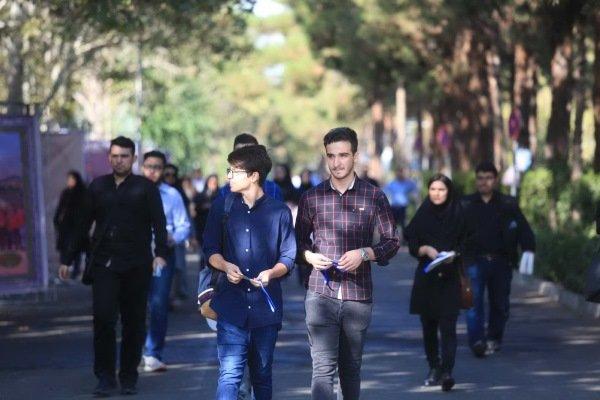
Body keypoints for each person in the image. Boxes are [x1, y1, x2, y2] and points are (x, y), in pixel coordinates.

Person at [296, 127, 400, 400]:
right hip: (320, 292)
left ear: (355, 155)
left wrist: (365, 253)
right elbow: (296, 244)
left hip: (358, 295)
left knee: (351, 369)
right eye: (331, 156)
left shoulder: (374, 196)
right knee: (322, 369)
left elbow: (392, 242)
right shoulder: (311, 197)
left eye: (343, 155)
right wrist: (309, 256)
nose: (337, 162)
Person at [58, 136, 168, 396]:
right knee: (104, 320)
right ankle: (105, 377)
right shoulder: (98, 187)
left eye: (124, 156)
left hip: (137, 265)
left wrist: (160, 254)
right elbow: (82, 225)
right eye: (115, 156)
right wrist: (67, 258)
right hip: (104, 265)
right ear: (109, 157)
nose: (119, 161)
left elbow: (159, 223)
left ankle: (128, 377)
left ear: (134, 158)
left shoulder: (145, 188)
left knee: (134, 322)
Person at [203, 144, 296, 400]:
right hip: (230, 305)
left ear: (254, 175)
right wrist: (225, 265)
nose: (229, 177)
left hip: (265, 310)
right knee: (229, 374)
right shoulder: (222, 207)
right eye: (229, 171)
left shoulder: (279, 212)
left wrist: (271, 273)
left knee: (262, 376)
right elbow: (209, 249)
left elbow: (288, 257)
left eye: (234, 171)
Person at [461, 161, 535, 357]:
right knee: (471, 303)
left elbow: (523, 228)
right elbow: (453, 230)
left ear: (495, 180)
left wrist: (528, 248)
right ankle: (477, 340)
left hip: (501, 262)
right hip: (472, 262)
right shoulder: (465, 204)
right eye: (480, 178)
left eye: (488, 178)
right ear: (476, 180)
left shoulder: (508, 204)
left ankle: (494, 338)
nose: (484, 182)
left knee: (500, 304)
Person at [404, 173, 469, 391]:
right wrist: (424, 249)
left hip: (450, 277)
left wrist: (455, 254)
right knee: (429, 326)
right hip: (427, 278)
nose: (437, 194)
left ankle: (447, 371)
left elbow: (468, 241)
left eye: (441, 190)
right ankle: (434, 366)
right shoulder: (423, 213)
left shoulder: (458, 213)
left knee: (448, 326)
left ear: (449, 191)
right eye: (433, 189)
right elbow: (412, 240)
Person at [140, 150, 191, 372]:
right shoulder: (133, 191)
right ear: (142, 167)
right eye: (149, 166)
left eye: (157, 167)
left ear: (163, 170)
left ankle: (153, 352)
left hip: (162, 253)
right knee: (135, 304)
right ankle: (136, 350)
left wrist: (173, 237)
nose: (152, 171)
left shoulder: (172, 195)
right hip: (136, 254)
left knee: (158, 303)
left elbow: (184, 225)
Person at [218, 133, 283, 202]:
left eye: (250, 153)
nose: (244, 157)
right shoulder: (224, 192)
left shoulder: (273, 189)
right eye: (239, 153)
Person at [164, 163, 192, 304]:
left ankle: (174, 295)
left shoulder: (177, 193)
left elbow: (186, 218)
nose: (170, 177)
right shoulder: (154, 192)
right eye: (167, 174)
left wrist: (189, 236)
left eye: (172, 175)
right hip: (160, 239)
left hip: (177, 238)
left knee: (178, 267)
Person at [54, 170, 88, 280]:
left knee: (76, 249)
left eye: (71, 179)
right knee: (64, 249)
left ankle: (75, 272)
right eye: (68, 179)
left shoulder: (83, 192)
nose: (69, 181)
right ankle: (65, 271)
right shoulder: (66, 193)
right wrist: (57, 219)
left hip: (78, 226)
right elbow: (61, 207)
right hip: (66, 225)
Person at [383, 166, 418, 232]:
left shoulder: (407, 183)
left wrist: (415, 201)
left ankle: (404, 238)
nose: (399, 174)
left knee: (403, 225)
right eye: (398, 172)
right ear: (396, 173)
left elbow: (415, 189)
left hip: (403, 208)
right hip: (394, 207)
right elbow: (384, 191)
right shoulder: (392, 183)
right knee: (393, 225)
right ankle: (393, 237)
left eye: (401, 172)